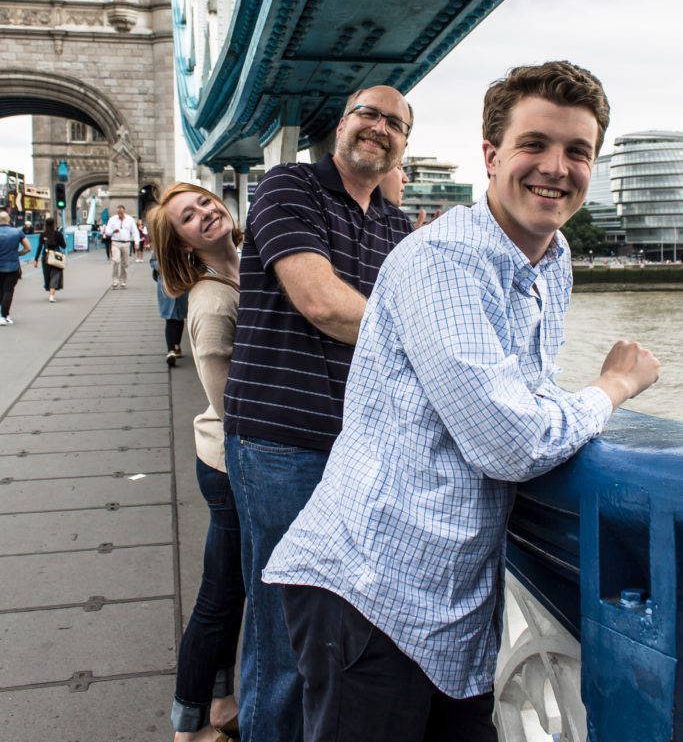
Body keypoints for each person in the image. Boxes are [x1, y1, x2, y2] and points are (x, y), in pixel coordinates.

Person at [264, 61, 661, 742]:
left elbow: (524, 396)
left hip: (451, 600)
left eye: (577, 151)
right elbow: (511, 441)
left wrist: (553, 411)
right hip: (372, 587)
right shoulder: (442, 261)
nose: (555, 168)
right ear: (490, 155)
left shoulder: (553, 256)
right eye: (533, 145)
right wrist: (614, 387)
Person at [223, 85, 415, 742]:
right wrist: (420, 329)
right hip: (282, 445)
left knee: (342, 630)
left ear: (401, 147)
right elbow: (323, 304)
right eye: (368, 112)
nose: (379, 126)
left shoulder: (394, 224)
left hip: (362, 448)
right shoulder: (287, 187)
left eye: (394, 123)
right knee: (285, 636)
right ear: (341, 124)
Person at [147, 183, 245, 742]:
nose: (206, 213)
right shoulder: (212, 302)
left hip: (233, 461)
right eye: (190, 216)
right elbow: (228, 404)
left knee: (228, 589)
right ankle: (188, 727)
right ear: (181, 243)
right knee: (219, 595)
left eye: (207, 203)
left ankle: (221, 703)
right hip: (230, 464)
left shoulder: (250, 263)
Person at [150, 252, 188, 365]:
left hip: (182, 282)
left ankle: (176, 345)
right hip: (166, 283)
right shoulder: (160, 243)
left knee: (179, 316)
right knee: (170, 316)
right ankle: (171, 349)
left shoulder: (186, 241)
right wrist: (166, 267)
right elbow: (153, 262)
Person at [0, 211, 31, 325]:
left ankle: (4, 314)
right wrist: (17, 253)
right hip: (12, 266)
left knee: (1, 291)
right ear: (9, 220)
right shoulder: (18, 232)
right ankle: (4, 315)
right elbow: (28, 248)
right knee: (8, 291)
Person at [103, 204, 140, 288]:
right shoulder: (112, 220)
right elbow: (107, 231)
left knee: (125, 263)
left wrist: (136, 242)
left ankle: (123, 280)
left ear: (124, 211)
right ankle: (115, 280)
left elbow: (135, 231)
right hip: (115, 242)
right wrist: (113, 231)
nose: (120, 214)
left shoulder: (130, 220)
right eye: (118, 213)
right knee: (116, 260)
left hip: (126, 243)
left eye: (121, 213)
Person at [34, 216, 67, 302]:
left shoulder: (43, 235)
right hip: (56, 257)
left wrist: (36, 259)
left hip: (46, 257)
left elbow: (39, 247)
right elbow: (64, 246)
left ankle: (50, 291)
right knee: (55, 275)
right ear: (54, 224)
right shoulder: (58, 234)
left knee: (47, 275)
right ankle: (51, 295)